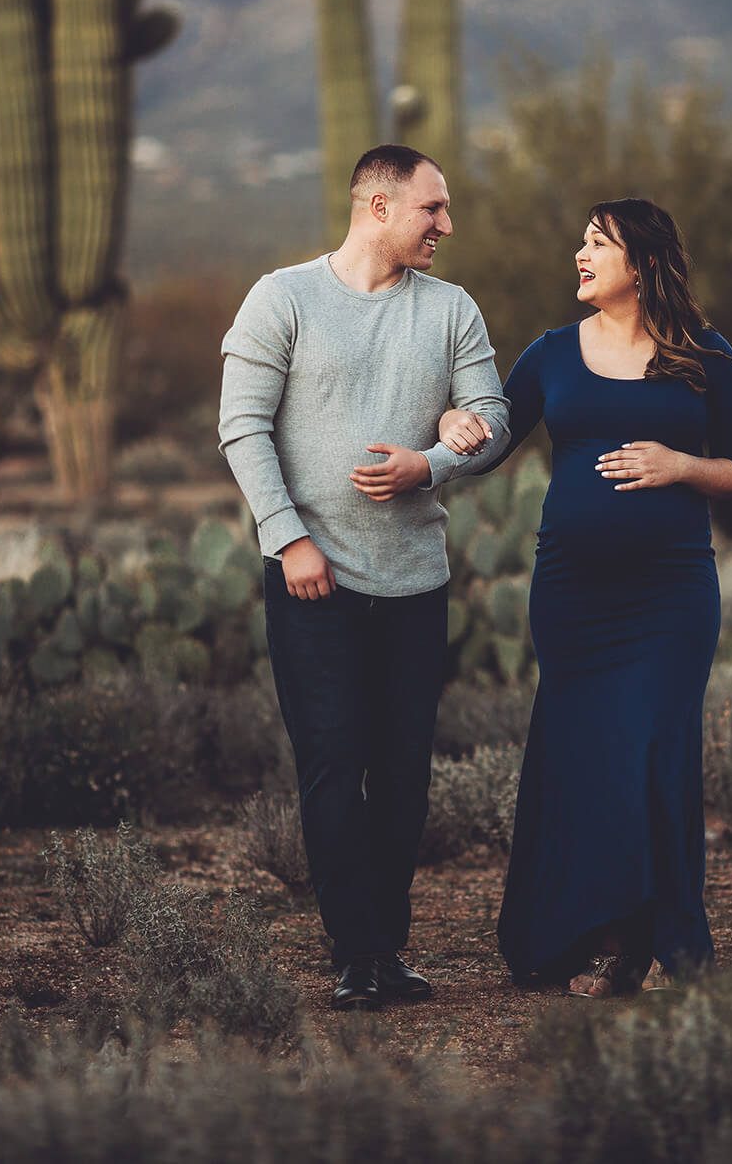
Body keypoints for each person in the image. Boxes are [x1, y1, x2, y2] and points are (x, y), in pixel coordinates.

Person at [441, 197, 732, 996]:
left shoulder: (708, 357)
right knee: (586, 760)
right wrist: (452, 423)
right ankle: (596, 935)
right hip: (574, 595)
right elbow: (488, 445)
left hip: (671, 596)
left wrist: (679, 465)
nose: (579, 255)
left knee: (654, 753)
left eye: (596, 243)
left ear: (644, 263)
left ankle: (660, 942)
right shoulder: (551, 354)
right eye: (580, 241)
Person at [218, 144, 509, 1012]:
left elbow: (491, 419)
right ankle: (356, 952)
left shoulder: (451, 310)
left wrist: (436, 460)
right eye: (433, 209)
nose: (447, 226)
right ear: (378, 207)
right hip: (313, 581)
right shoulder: (283, 299)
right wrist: (287, 538)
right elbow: (242, 427)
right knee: (333, 766)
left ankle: (387, 945)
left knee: (404, 773)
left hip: (414, 580)